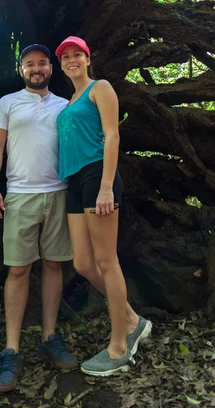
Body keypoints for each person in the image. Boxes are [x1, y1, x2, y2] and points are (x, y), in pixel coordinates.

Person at [55, 35, 152, 377]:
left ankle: (119, 346)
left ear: (87, 57)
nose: (71, 60)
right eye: (65, 56)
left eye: (76, 54)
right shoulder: (69, 102)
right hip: (73, 182)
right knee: (82, 263)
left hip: (98, 177)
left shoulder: (100, 88)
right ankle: (131, 319)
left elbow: (112, 135)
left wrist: (107, 187)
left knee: (106, 261)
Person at [0, 44, 76, 393]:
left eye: (41, 63)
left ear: (51, 68)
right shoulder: (7, 103)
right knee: (19, 269)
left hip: (58, 192)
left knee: (54, 264)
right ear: (21, 70)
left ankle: (51, 337)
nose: (36, 69)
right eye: (29, 64)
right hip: (20, 195)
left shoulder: (65, 106)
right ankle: (12, 349)